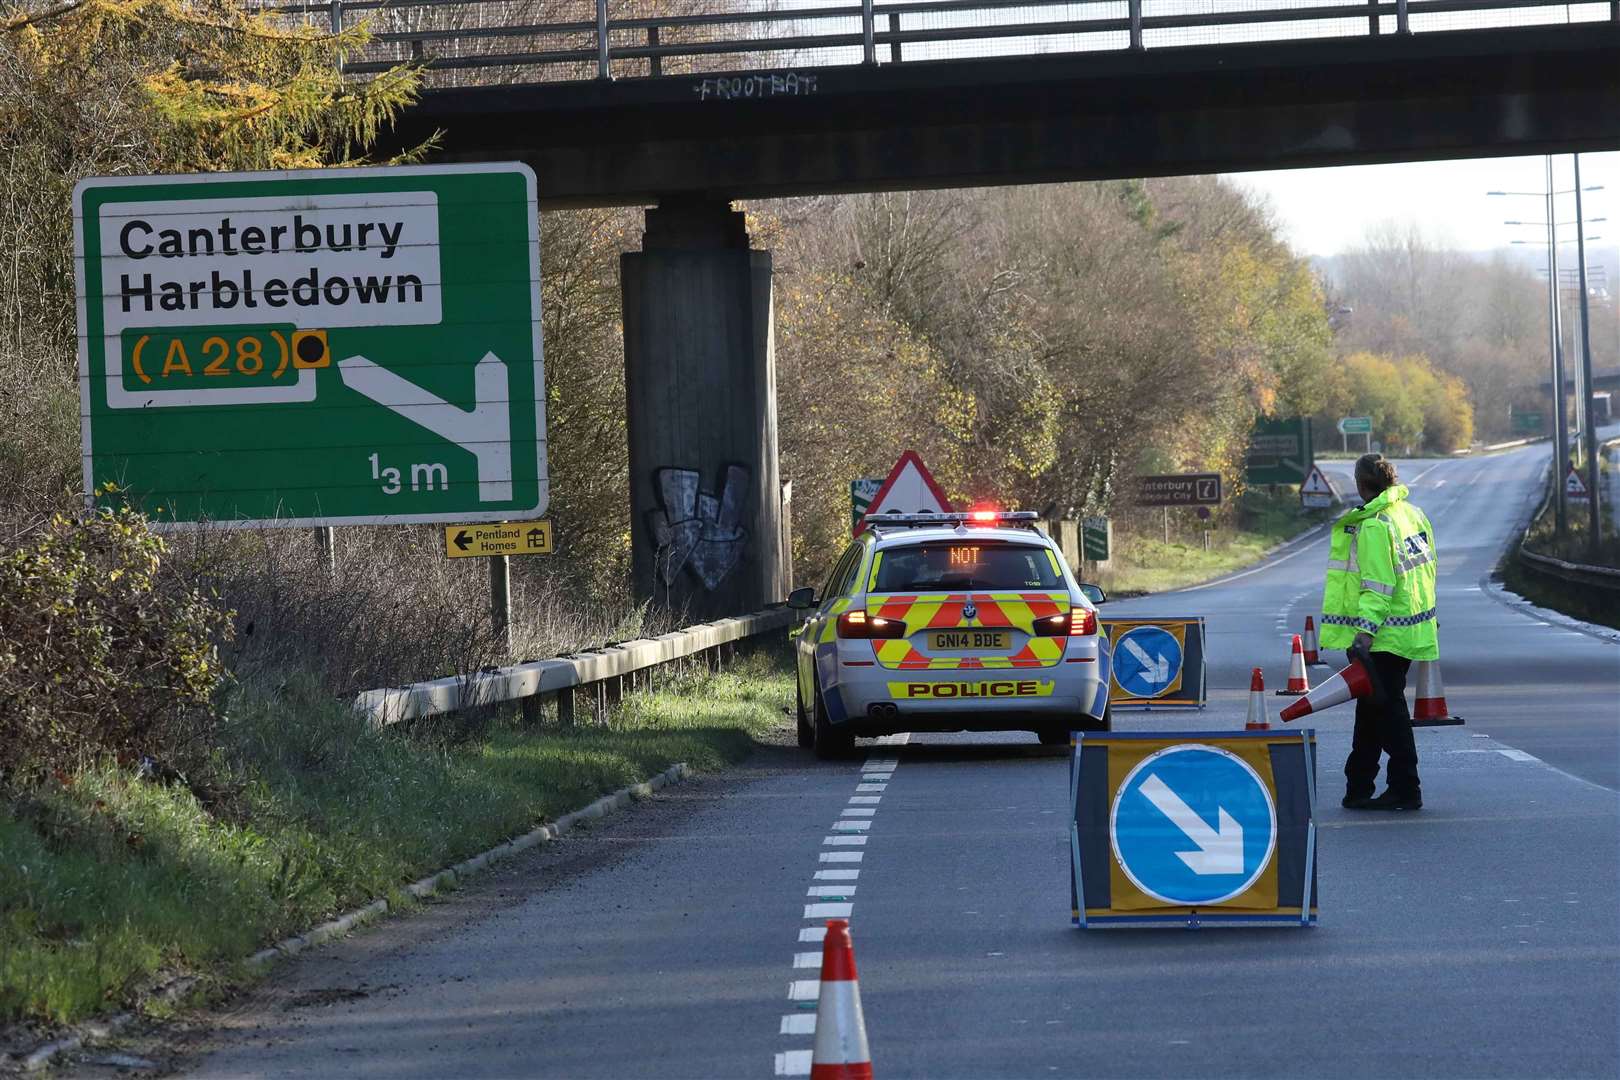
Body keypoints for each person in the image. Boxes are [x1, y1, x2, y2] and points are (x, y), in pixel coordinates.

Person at [1318, 454, 1438, 811]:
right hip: (1410, 631)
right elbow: (1425, 572)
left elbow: (1378, 586)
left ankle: (1405, 787)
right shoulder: (1412, 514)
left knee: (1388, 714)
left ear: (1360, 484)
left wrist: (1364, 633)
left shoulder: (1374, 524)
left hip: (1383, 636)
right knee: (1371, 711)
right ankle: (1358, 787)